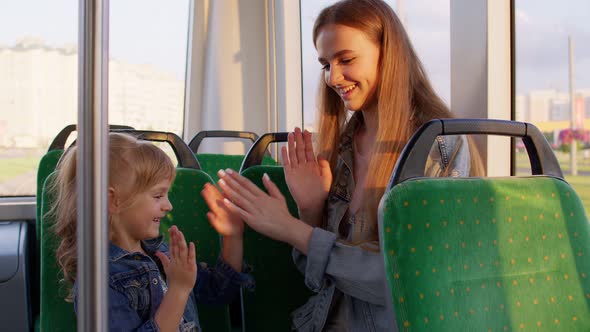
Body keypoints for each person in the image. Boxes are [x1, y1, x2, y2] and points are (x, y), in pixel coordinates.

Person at [216, 0, 484, 331]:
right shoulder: (340, 146)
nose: (333, 77)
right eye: (325, 64)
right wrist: (310, 209)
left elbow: (412, 284)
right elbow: (318, 278)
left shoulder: (439, 147)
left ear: (390, 55)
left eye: (346, 59)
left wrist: (290, 228)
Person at [48, 132, 253, 332]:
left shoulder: (163, 254)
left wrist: (232, 236)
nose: (168, 206)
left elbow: (219, 292)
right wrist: (178, 291)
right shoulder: (99, 283)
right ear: (113, 200)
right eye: (158, 196)